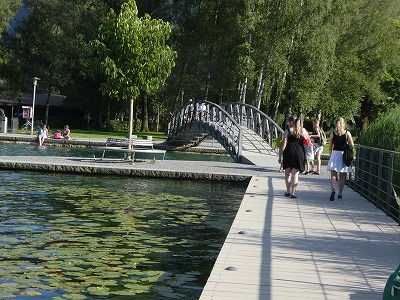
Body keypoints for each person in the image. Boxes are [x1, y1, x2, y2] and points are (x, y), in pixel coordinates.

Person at [327, 117, 354, 201]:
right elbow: (352, 145)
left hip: (335, 154)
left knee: (333, 175)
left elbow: (330, 147)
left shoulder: (332, 133)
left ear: (336, 124)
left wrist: (331, 156)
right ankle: (340, 194)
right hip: (343, 155)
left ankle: (333, 189)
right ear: (344, 124)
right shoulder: (347, 133)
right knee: (342, 176)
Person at [278, 117, 305, 198]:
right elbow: (308, 142)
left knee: (287, 173)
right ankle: (293, 193)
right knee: (295, 174)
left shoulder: (287, 131)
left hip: (289, 151)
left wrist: (280, 156)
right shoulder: (302, 131)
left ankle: (288, 191)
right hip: (299, 152)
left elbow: (283, 144)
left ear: (291, 122)